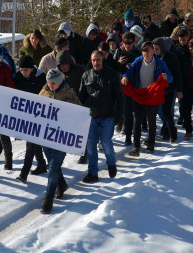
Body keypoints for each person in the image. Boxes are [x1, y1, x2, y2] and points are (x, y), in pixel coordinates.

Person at [39, 69, 82, 214]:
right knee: (52, 163)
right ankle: (62, 184)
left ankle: (48, 198)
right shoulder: (43, 91)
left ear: (59, 82)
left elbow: (79, 111)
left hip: (61, 137)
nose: (50, 85)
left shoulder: (69, 94)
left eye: (53, 83)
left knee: (52, 167)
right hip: (45, 135)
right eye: (48, 82)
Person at [78, 51, 124, 183]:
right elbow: (81, 97)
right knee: (91, 146)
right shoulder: (86, 75)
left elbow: (119, 97)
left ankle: (111, 163)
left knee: (106, 143)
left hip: (107, 116)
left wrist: (119, 115)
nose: (96, 62)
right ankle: (93, 173)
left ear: (102, 60)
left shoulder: (112, 75)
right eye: (93, 60)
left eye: (98, 60)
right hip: (91, 116)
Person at [121, 41, 172, 155]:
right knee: (137, 120)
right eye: (143, 51)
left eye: (147, 51)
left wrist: (166, 77)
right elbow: (129, 71)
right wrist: (125, 77)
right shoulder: (138, 61)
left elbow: (170, 77)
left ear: (153, 51)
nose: (145, 54)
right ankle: (136, 146)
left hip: (153, 95)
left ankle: (150, 145)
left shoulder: (159, 62)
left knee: (151, 120)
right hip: (140, 94)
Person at [15, 55, 48, 183]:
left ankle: (24, 173)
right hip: (25, 114)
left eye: (26, 70)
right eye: (22, 70)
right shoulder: (18, 76)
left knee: (31, 142)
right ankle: (41, 164)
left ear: (32, 68)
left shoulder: (41, 77)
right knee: (34, 141)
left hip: (39, 114)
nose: (23, 73)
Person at [152, 37, 183, 143]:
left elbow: (178, 74)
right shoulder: (153, 58)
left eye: (157, 49)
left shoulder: (171, 57)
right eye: (154, 49)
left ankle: (171, 130)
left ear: (162, 48)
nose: (155, 51)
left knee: (167, 111)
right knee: (160, 112)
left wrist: (179, 90)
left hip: (169, 89)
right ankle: (166, 126)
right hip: (157, 89)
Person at [113, 32, 141, 144]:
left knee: (130, 111)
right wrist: (119, 63)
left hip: (133, 86)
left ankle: (129, 136)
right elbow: (112, 69)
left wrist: (133, 67)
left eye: (130, 43)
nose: (127, 45)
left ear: (134, 42)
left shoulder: (137, 53)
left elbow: (142, 69)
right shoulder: (119, 52)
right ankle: (120, 128)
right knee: (121, 110)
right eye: (125, 43)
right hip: (120, 86)